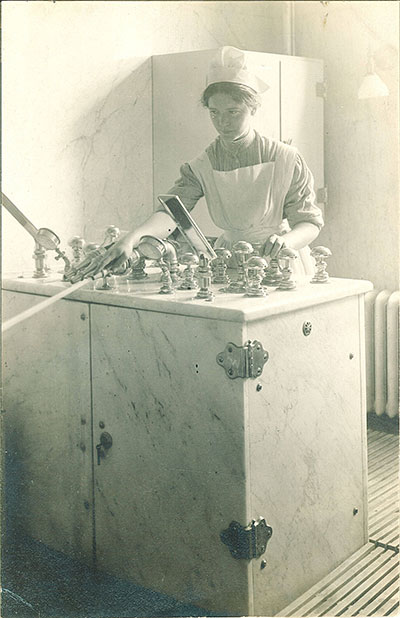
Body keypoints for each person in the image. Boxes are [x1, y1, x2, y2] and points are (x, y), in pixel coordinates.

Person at [77, 46, 323, 279]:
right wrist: (132, 238)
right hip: (229, 259)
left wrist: (285, 241)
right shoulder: (202, 165)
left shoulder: (286, 158)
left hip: (279, 261)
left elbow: (309, 222)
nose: (222, 122)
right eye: (214, 112)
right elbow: (172, 213)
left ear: (253, 108)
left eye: (232, 112)